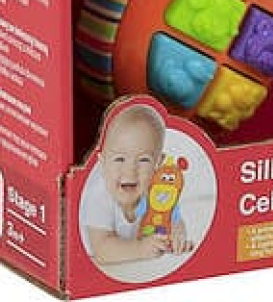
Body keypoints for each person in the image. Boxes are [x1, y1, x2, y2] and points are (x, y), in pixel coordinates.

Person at [80, 105, 191, 264]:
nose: (130, 171)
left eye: (144, 160)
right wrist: (140, 249)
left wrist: (177, 234)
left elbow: (174, 218)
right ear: (102, 162)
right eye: (119, 159)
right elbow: (102, 251)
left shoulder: (156, 193)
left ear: (158, 164)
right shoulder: (99, 197)